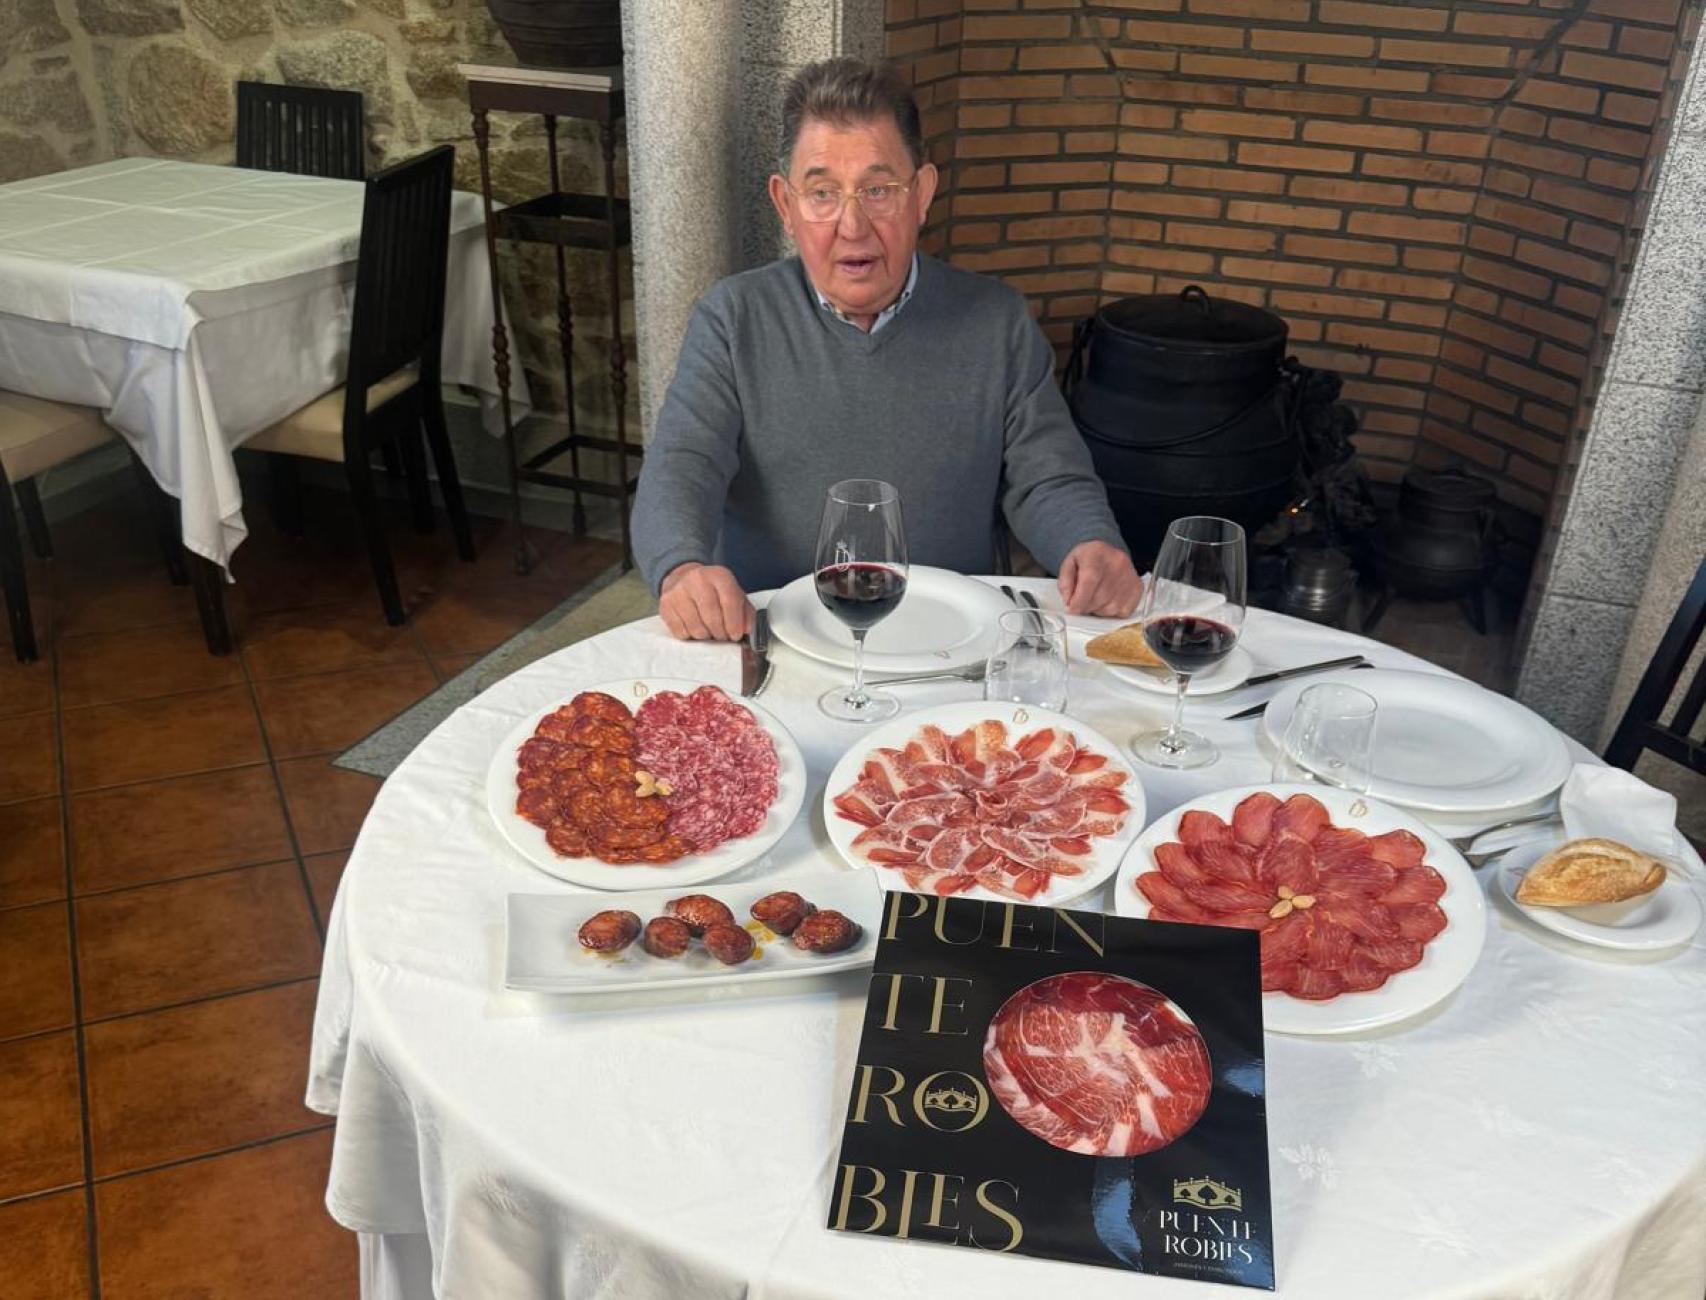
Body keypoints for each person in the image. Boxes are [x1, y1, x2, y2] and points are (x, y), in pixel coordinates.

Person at [632, 57, 1143, 642]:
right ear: (786, 206)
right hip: (769, 639)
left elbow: (1048, 476)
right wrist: (681, 567)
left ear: (922, 193)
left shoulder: (996, 319)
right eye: (822, 192)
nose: (852, 225)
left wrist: (1091, 543)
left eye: (878, 190)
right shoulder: (733, 317)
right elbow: (684, 462)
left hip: (952, 641)